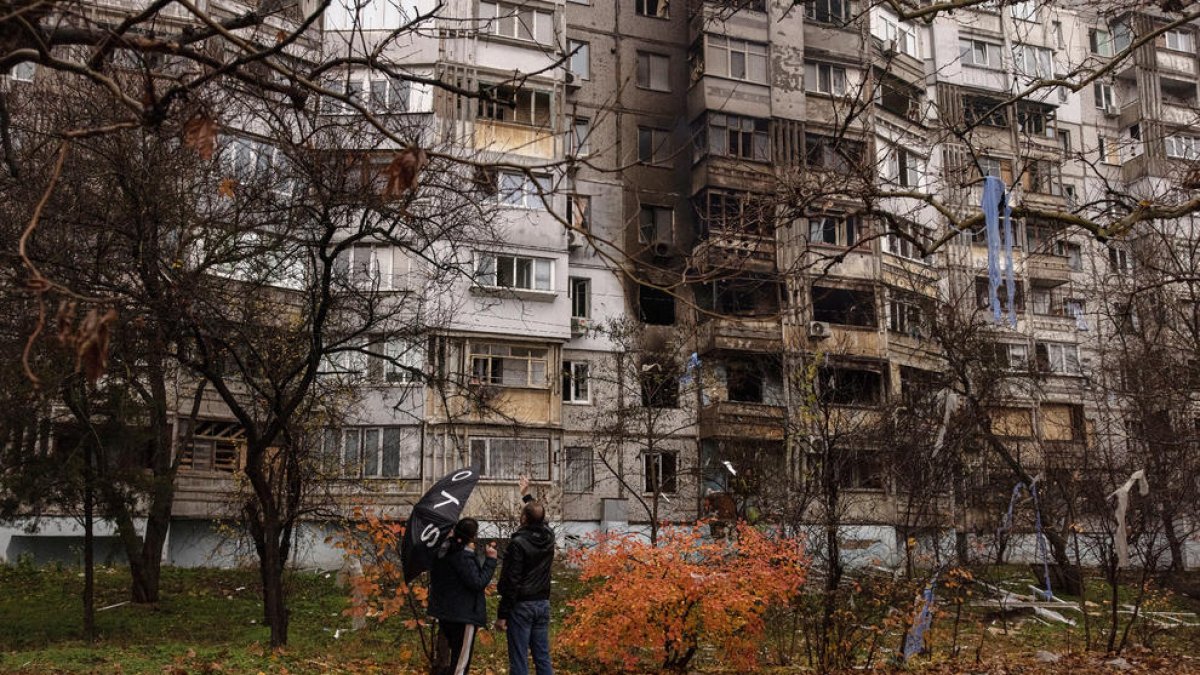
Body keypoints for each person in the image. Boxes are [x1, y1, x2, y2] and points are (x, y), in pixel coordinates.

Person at [496, 477, 555, 675]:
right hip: (542, 603)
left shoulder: (518, 544)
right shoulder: (548, 537)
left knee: (519, 658)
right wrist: (526, 496)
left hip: (522, 606)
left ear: (523, 519)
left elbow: (511, 580)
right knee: (542, 656)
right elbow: (540, 518)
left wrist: (503, 614)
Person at [427, 517, 498, 675]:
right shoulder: (462, 556)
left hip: (446, 613)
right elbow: (477, 582)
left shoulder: (443, 552)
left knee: (450, 659)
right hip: (463, 615)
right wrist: (491, 561)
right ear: (472, 536)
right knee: (460, 663)